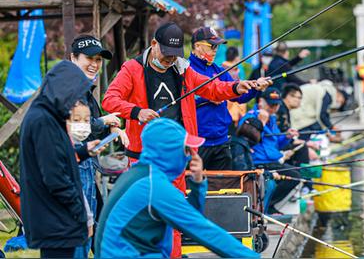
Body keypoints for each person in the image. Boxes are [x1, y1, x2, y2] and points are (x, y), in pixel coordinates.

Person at [102, 22, 260, 256]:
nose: (169, 61)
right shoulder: (132, 69)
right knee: (154, 217)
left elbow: (212, 89)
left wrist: (237, 87)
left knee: (173, 217)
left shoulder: (182, 68)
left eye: (174, 57)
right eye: (166, 56)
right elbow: (109, 99)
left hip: (177, 153)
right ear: (154, 44)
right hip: (143, 156)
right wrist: (136, 111)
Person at [95, 118, 259, 258]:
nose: (190, 156)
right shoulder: (154, 187)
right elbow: (203, 230)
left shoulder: (140, 175)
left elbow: (188, 216)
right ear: (170, 151)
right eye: (186, 149)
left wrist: (197, 182)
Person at [19, 61, 105, 258]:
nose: (75, 101)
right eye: (74, 95)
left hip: (55, 219)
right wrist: (81, 214)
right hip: (55, 220)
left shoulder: (48, 114)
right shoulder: (43, 121)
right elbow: (55, 176)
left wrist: (84, 151)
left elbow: (57, 155)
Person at [69, 34, 129, 258]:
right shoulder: (72, 87)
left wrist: (110, 127)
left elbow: (91, 123)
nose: (94, 65)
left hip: (86, 165)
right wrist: (106, 121)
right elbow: (78, 128)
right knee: (83, 230)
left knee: (95, 227)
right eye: (89, 58)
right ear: (73, 58)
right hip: (78, 165)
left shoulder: (85, 88)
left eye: (98, 60)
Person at [189, 27, 271, 170]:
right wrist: (208, 98)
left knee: (222, 189)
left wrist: (255, 88)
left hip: (221, 141)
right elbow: (180, 100)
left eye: (217, 46)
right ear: (197, 46)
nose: (215, 50)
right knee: (193, 187)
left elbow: (239, 97)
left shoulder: (219, 71)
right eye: (211, 46)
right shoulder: (185, 69)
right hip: (196, 143)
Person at [244, 88, 302, 214]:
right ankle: (266, 206)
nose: (274, 108)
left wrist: (287, 136)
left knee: (296, 172)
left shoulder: (272, 119)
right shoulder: (251, 117)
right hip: (259, 161)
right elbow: (248, 140)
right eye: (271, 104)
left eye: (276, 105)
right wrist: (261, 123)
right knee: (294, 176)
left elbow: (276, 143)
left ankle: (268, 205)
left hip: (273, 159)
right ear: (261, 102)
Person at [222, 46, 247, 130]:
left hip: (223, 112)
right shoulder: (237, 71)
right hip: (234, 114)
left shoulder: (220, 69)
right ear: (237, 57)